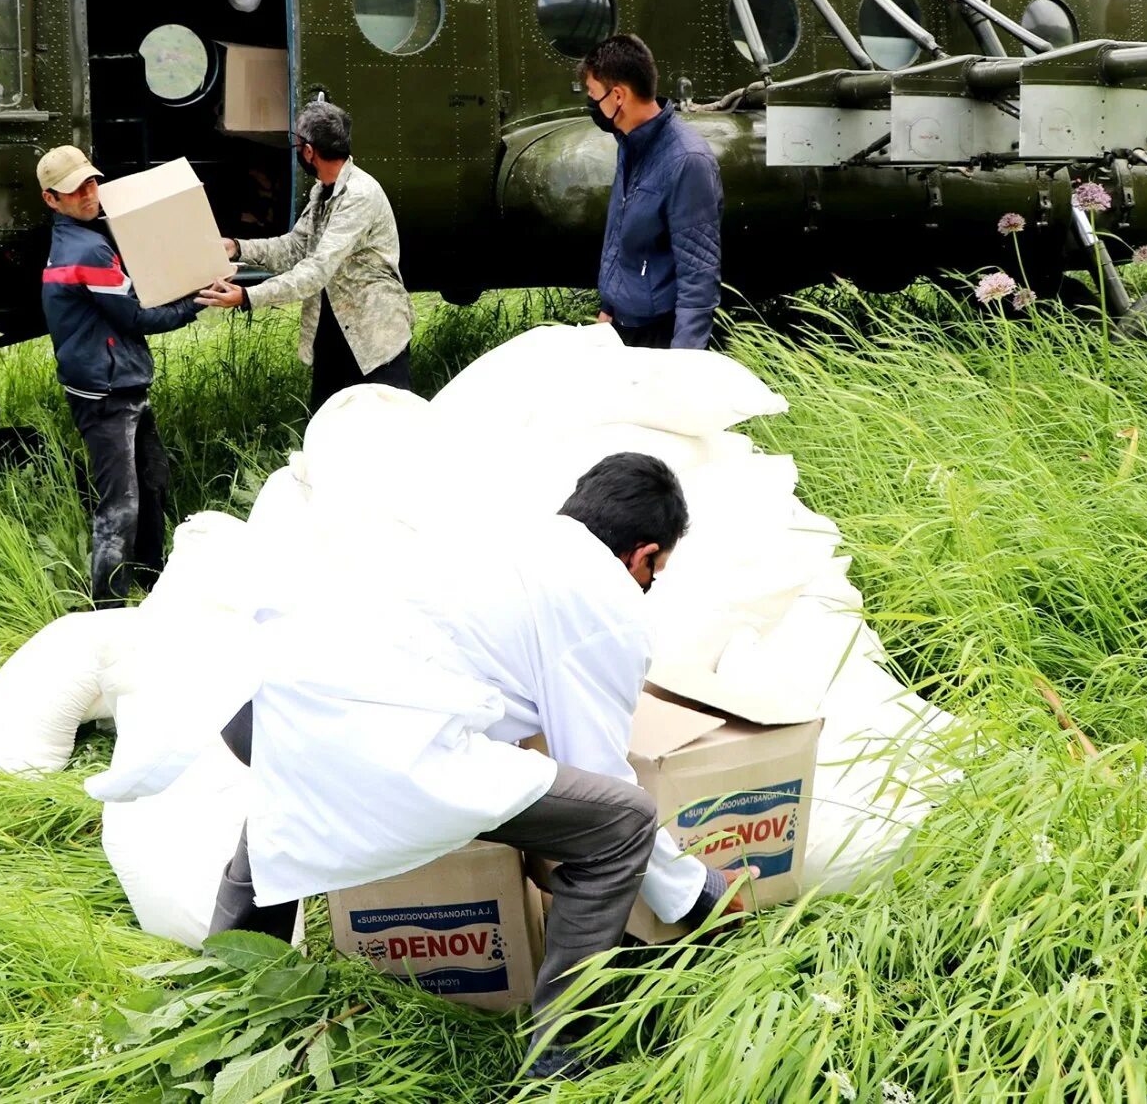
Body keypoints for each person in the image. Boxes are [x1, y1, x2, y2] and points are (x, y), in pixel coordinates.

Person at [204, 454, 751, 1080]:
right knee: (622, 822)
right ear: (642, 554)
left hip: (258, 709)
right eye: (656, 571)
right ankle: (560, 1055)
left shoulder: (503, 533)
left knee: (297, 778)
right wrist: (698, 893)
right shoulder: (608, 603)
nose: (650, 584)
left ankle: (223, 999)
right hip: (377, 745)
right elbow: (597, 773)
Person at [37, 146, 205, 607]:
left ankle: (153, 584)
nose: (88, 194)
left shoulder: (86, 237)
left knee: (152, 481)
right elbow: (137, 316)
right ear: (52, 199)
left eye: (91, 182)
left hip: (120, 381)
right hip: (107, 393)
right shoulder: (86, 248)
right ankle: (106, 609)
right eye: (75, 190)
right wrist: (196, 303)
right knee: (120, 504)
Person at [197, 100, 414, 414]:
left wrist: (247, 296)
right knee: (330, 429)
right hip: (335, 329)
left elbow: (315, 271)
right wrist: (237, 246)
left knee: (389, 428)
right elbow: (294, 248)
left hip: (374, 336)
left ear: (309, 151)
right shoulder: (323, 190)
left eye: (297, 145)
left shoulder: (359, 195)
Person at [580, 34, 724, 350]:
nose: (591, 103)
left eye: (594, 94)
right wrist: (610, 305)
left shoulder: (687, 161)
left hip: (659, 337)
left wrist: (682, 362)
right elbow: (621, 233)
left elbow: (698, 275)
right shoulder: (629, 143)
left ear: (617, 96)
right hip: (622, 327)